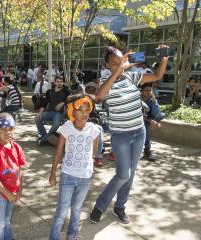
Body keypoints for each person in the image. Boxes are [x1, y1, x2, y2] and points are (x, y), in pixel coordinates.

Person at [89, 45, 169, 224]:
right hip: (121, 135)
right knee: (123, 174)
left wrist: (164, 58)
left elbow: (157, 76)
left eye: (121, 61)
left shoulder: (132, 77)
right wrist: (118, 71)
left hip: (139, 132)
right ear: (107, 65)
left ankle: (120, 207)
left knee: (131, 173)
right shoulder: (105, 81)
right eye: (114, 63)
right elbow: (100, 97)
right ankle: (100, 206)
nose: (118, 65)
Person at [49, 94, 100, 240]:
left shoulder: (94, 130)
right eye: (80, 109)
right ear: (72, 111)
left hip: (84, 178)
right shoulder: (66, 128)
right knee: (61, 211)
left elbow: (93, 152)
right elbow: (58, 151)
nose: (85, 113)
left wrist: (89, 169)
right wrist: (53, 173)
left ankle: (72, 234)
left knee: (77, 209)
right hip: (68, 176)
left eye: (87, 109)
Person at [0, 112, 25, 240]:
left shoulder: (17, 148)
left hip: (13, 191)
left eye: (10, 129)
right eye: (3, 129)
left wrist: (19, 190)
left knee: (7, 219)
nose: (8, 132)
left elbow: (20, 170)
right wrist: (7, 193)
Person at [35, 76, 70, 146]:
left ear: (63, 83)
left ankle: (44, 139)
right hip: (49, 112)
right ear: (55, 82)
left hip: (59, 113)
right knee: (37, 119)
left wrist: (62, 103)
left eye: (61, 82)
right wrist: (40, 112)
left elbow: (70, 100)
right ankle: (45, 136)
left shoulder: (66, 91)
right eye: (58, 82)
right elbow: (45, 102)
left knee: (55, 125)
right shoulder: (50, 91)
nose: (59, 83)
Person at [141, 83, 164, 162]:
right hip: (137, 119)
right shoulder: (138, 100)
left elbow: (156, 114)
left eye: (150, 90)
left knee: (147, 129)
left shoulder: (152, 100)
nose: (148, 92)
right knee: (146, 130)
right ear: (142, 92)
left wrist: (157, 121)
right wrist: (150, 120)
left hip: (147, 119)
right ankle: (145, 152)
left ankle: (147, 153)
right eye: (146, 90)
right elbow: (138, 115)